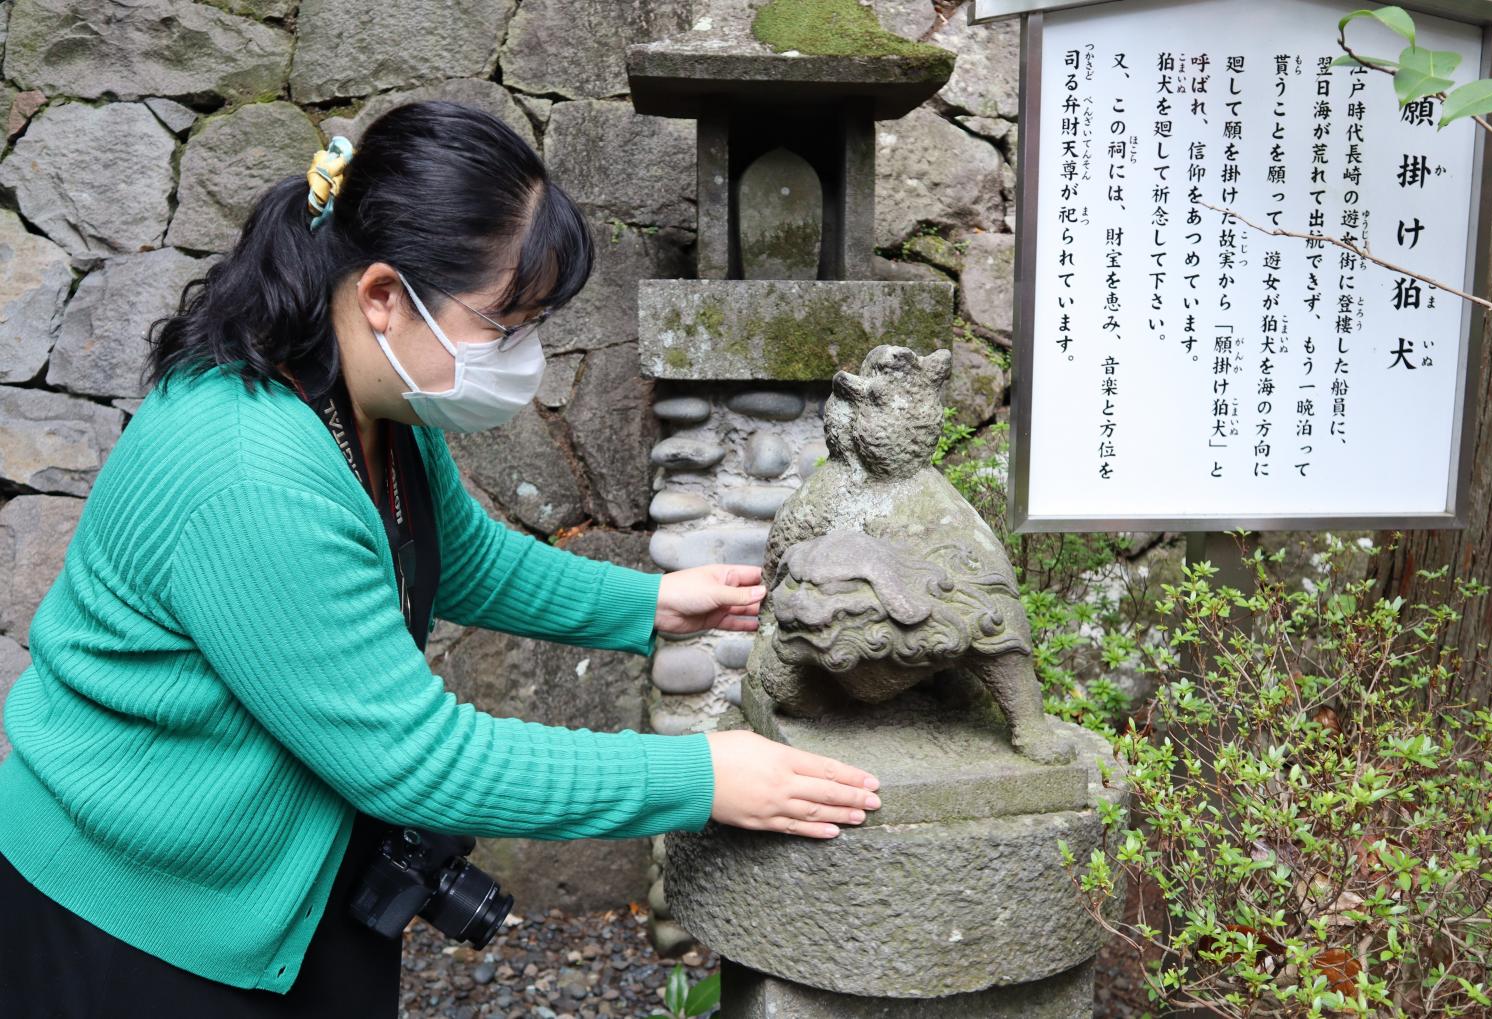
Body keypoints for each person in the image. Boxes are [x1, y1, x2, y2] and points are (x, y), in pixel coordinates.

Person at [0, 100, 881, 1018]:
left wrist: (651, 605)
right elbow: (418, 758)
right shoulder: (251, 474)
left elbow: (458, 556)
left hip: (283, 868)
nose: (527, 354)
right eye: (509, 323)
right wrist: (700, 777)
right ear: (384, 295)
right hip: (137, 910)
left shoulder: (366, 396)